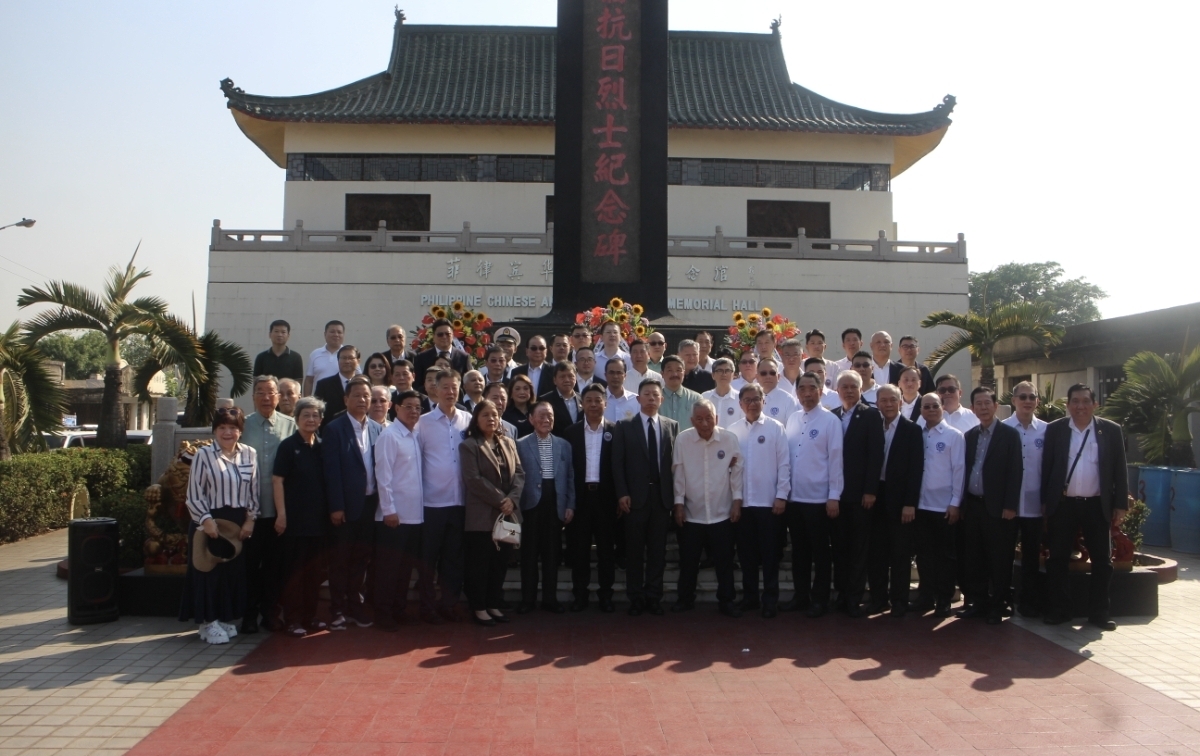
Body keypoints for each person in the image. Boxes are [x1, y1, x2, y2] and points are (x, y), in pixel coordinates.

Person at [1041, 384, 1128, 631]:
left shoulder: (1110, 431)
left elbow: (1119, 470)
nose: (1080, 406)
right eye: (1075, 401)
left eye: (1085, 401)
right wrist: (1046, 502)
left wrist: (1120, 504)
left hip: (1096, 504)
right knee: (1057, 559)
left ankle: (1099, 613)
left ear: (1094, 404)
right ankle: (1060, 610)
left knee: (1102, 561)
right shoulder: (1056, 430)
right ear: (1068, 405)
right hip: (1064, 504)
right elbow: (1047, 467)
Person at [181, 407, 257, 645]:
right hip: (209, 522)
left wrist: (250, 520)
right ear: (214, 430)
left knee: (230, 574)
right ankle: (207, 622)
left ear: (240, 431)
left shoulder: (249, 454)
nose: (228, 432)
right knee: (207, 573)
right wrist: (206, 521)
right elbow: (194, 494)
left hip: (235, 525)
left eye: (233, 427)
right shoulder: (204, 455)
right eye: (222, 427)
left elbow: (253, 491)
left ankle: (223, 617)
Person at [612, 379, 678, 616]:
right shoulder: (624, 426)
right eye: (646, 394)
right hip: (634, 499)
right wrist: (622, 493)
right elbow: (617, 464)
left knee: (657, 552)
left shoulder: (672, 426)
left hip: (661, 498)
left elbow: (675, 465)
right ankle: (636, 597)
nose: (651, 398)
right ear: (638, 399)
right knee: (634, 551)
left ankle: (653, 596)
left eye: (655, 395)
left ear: (662, 399)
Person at [672, 400, 744, 617]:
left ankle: (727, 601)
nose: (705, 423)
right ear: (692, 420)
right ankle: (685, 599)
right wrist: (678, 505)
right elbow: (679, 474)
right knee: (689, 561)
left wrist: (737, 503)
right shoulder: (683, 439)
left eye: (709, 418)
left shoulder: (729, 439)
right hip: (692, 513)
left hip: (722, 512)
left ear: (717, 419)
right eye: (700, 419)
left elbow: (737, 473)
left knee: (724, 561)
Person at [958, 386, 1024, 624]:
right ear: (972, 408)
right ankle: (979, 603)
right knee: (975, 558)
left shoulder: (1009, 435)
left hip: (999, 508)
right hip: (974, 506)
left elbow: (1016, 471)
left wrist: (1010, 505)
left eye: (987, 403)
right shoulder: (971, 435)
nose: (983, 407)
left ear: (996, 406)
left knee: (1000, 559)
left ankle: (999, 604)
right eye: (978, 403)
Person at [322, 375, 382, 630]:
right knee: (340, 560)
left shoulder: (378, 428)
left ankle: (354, 605)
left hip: (370, 505)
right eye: (356, 395)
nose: (362, 399)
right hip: (345, 508)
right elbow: (331, 471)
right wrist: (336, 506)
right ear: (346, 399)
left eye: (366, 396)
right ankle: (337, 608)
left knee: (361, 559)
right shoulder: (334, 429)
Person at [782, 373, 843, 617]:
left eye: (811, 388)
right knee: (799, 552)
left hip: (819, 500)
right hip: (795, 499)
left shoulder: (830, 421)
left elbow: (836, 461)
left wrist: (834, 496)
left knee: (820, 552)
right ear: (797, 393)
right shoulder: (794, 418)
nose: (807, 393)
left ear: (820, 390)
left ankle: (820, 599)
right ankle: (801, 596)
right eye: (802, 389)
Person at [459, 399, 524, 627]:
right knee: (480, 564)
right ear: (476, 419)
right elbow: (473, 480)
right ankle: (479, 607)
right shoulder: (469, 445)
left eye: (495, 415)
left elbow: (519, 474)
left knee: (499, 563)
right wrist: (500, 500)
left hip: (507, 515)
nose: (491, 419)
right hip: (481, 516)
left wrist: (512, 501)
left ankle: (493, 604)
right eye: (486, 415)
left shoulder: (508, 442)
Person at [240, 376, 297, 633]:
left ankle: (271, 613)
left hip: (279, 512)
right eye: (260, 392)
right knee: (249, 567)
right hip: (248, 512)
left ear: (279, 397)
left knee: (275, 567)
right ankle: (248, 615)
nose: (265, 397)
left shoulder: (291, 425)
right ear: (253, 396)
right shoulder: (242, 425)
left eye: (270, 392)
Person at [728, 384, 789, 618]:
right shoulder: (732, 430)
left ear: (764, 401)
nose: (752, 404)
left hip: (769, 503)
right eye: (747, 400)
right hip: (742, 504)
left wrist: (781, 495)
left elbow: (784, 464)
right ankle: (751, 597)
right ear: (740, 403)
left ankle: (770, 600)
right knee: (746, 555)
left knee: (770, 555)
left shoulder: (776, 428)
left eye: (757, 399)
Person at [417, 369, 472, 623]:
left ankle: (448, 604)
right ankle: (427, 605)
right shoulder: (423, 422)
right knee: (428, 558)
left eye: (454, 387)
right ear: (435, 390)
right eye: (445, 387)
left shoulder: (468, 420)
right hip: (432, 503)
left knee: (454, 558)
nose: (450, 392)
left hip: (459, 502)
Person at [272, 397, 329, 637]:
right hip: (294, 522)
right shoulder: (288, 446)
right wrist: (281, 514)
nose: (311, 419)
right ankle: (293, 619)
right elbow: (277, 480)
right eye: (306, 415)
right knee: (294, 571)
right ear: (296, 418)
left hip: (319, 522)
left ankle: (310, 616)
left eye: (315, 415)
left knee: (314, 573)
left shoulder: (323, 446)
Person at [832, 370, 884, 617]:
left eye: (854, 386)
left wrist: (870, 490)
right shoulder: (831, 417)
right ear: (837, 390)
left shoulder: (871, 415)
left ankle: (854, 597)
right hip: (836, 495)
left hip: (861, 494)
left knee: (858, 549)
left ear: (861, 389)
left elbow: (876, 456)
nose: (849, 390)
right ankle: (841, 594)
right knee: (840, 548)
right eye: (845, 386)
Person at [369, 389, 423, 632]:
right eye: (408, 406)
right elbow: (383, 476)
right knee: (388, 568)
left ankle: (398, 609)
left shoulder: (414, 434)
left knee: (404, 568)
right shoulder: (390, 436)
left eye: (417, 408)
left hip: (414, 515)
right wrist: (389, 510)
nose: (413, 411)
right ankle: (383, 613)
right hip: (394, 517)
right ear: (396, 407)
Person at [515, 402, 575, 613]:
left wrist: (570, 505)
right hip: (530, 505)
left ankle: (550, 599)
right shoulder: (520, 444)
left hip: (555, 504)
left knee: (552, 555)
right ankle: (527, 600)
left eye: (549, 415)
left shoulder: (564, 445)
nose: (546, 419)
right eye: (541, 415)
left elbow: (570, 478)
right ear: (531, 419)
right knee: (529, 555)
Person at [564, 384, 618, 612]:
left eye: (598, 400)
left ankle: (606, 594)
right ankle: (580, 594)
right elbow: (566, 470)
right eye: (589, 401)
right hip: (581, 498)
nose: (594, 405)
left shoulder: (617, 431)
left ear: (606, 403)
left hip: (607, 500)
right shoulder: (570, 433)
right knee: (579, 550)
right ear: (581, 404)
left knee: (606, 550)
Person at [871, 384, 924, 618]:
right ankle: (878, 599)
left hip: (901, 499)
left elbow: (916, 469)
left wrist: (910, 503)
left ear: (901, 402)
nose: (888, 404)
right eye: (883, 400)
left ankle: (899, 600)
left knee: (900, 554)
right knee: (877, 553)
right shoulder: (872, 427)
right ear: (877, 403)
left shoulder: (912, 430)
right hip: (874, 496)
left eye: (893, 400)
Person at [912, 392, 965, 618]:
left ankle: (944, 599)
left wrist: (955, 503)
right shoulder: (917, 434)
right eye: (926, 406)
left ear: (942, 407)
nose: (931, 410)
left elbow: (959, 471)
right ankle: (926, 596)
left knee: (945, 557)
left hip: (944, 507)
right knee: (924, 555)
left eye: (935, 405)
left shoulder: (954, 436)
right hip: (921, 506)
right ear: (921, 410)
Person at [1003, 381, 1048, 617]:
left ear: (1037, 401)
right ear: (1013, 401)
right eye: (1023, 397)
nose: (1027, 401)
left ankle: (1029, 602)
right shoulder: (1002, 429)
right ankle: (1004, 599)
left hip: (1034, 506)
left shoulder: (1047, 431)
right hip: (1008, 507)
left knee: (1031, 557)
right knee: (1004, 556)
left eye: (1032, 397)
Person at [414, 318, 471, 387]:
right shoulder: (421, 358)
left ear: (452, 335)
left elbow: (468, 384)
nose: (444, 337)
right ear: (433, 336)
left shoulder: (463, 357)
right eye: (440, 334)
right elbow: (417, 385)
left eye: (447, 334)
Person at [314, 345, 361, 428]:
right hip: (331, 431)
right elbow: (317, 411)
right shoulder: (324, 385)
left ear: (358, 361)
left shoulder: (364, 385)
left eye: (351, 358)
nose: (347, 361)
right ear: (338, 360)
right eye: (343, 358)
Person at [304, 320, 348, 395]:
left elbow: (357, 377)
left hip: (343, 398)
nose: (336, 335)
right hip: (319, 398)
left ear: (343, 335)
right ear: (325, 334)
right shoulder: (315, 354)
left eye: (339, 332)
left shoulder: (349, 354)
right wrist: (306, 401)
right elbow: (309, 380)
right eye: (332, 332)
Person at [253, 320, 304, 384]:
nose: (279, 335)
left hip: (286, 393)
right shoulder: (261, 357)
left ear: (288, 336)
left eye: (283, 332)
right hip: (268, 393)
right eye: (276, 331)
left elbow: (298, 382)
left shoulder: (296, 357)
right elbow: (256, 382)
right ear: (270, 334)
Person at [659, 355, 702, 429]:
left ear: (684, 373)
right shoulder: (655, 398)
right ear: (662, 374)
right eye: (670, 370)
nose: (675, 374)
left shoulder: (696, 399)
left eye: (678, 370)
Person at [702, 357, 744, 428]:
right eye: (720, 371)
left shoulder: (741, 398)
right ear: (713, 375)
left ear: (733, 375)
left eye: (727, 371)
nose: (724, 374)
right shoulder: (704, 397)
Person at [542, 362, 582, 436]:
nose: (567, 380)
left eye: (570, 376)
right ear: (554, 380)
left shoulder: (583, 399)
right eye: (562, 376)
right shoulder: (544, 401)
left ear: (576, 378)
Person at [758, 356, 799, 424]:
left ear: (778, 377)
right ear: (757, 377)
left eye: (772, 373)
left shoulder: (788, 400)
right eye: (763, 373)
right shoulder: (749, 398)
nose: (768, 376)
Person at [603, 358, 639, 423]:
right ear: (605, 375)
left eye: (619, 373)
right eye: (611, 373)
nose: (615, 376)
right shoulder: (599, 400)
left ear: (625, 376)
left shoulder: (636, 400)